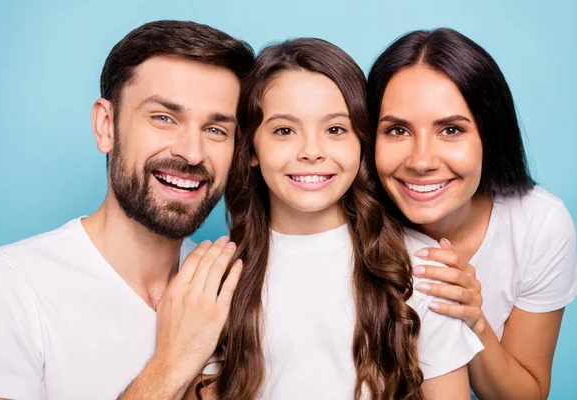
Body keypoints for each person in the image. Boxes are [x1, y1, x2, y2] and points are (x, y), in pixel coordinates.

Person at [188, 37, 483, 400]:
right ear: (251, 148)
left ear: (362, 143)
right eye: (284, 130)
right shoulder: (216, 276)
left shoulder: (422, 267)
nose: (312, 151)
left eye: (335, 130)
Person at [0, 20, 254, 400]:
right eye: (163, 118)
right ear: (106, 125)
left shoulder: (233, 288)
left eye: (216, 130)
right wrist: (173, 362)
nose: (192, 152)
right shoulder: (2, 288)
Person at [367, 28, 577, 400]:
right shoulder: (349, 222)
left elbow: (527, 394)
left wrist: (474, 321)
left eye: (450, 130)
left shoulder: (540, 225)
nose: (421, 162)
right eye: (397, 130)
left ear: (490, 135)